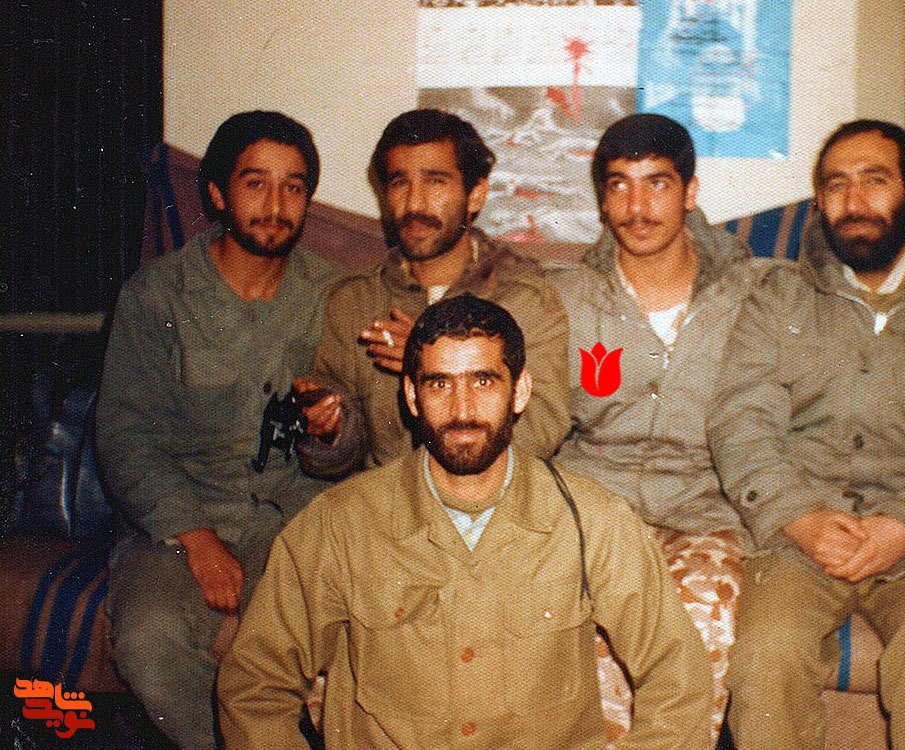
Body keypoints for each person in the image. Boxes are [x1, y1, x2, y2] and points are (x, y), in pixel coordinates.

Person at [217, 295, 713, 749]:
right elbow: (254, 687)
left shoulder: (593, 522)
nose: (462, 410)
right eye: (440, 384)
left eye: (483, 381)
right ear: (412, 396)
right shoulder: (339, 526)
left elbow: (679, 678)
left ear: (520, 391)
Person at [708, 119, 905, 750]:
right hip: (800, 536)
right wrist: (799, 517)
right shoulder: (778, 299)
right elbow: (740, 421)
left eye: (874, 180)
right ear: (819, 202)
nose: (853, 201)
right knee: (765, 656)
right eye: (836, 185)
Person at [96, 110, 341, 749]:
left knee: (294, 637)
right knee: (148, 640)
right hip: (179, 520)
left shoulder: (334, 295)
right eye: (255, 183)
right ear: (217, 193)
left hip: (293, 517)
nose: (275, 205)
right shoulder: (158, 295)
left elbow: (362, 435)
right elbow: (125, 432)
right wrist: (197, 538)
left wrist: (332, 424)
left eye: (293, 187)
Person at [550, 113, 768, 743]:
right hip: (592, 511)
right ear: (602, 200)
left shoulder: (755, 293)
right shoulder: (563, 297)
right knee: (590, 643)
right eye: (619, 185)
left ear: (691, 191)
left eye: (657, 184)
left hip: (707, 512)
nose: (637, 207)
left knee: (701, 626)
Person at [295, 108, 568, 477]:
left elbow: (540, 432)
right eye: (399, 183)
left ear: (475, 195)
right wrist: (329, 429)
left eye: (435, 182)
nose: (414, 204)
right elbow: (337, 460)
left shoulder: (525, 297)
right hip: (386, 502)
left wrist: (431, 358)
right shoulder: (355, 301)